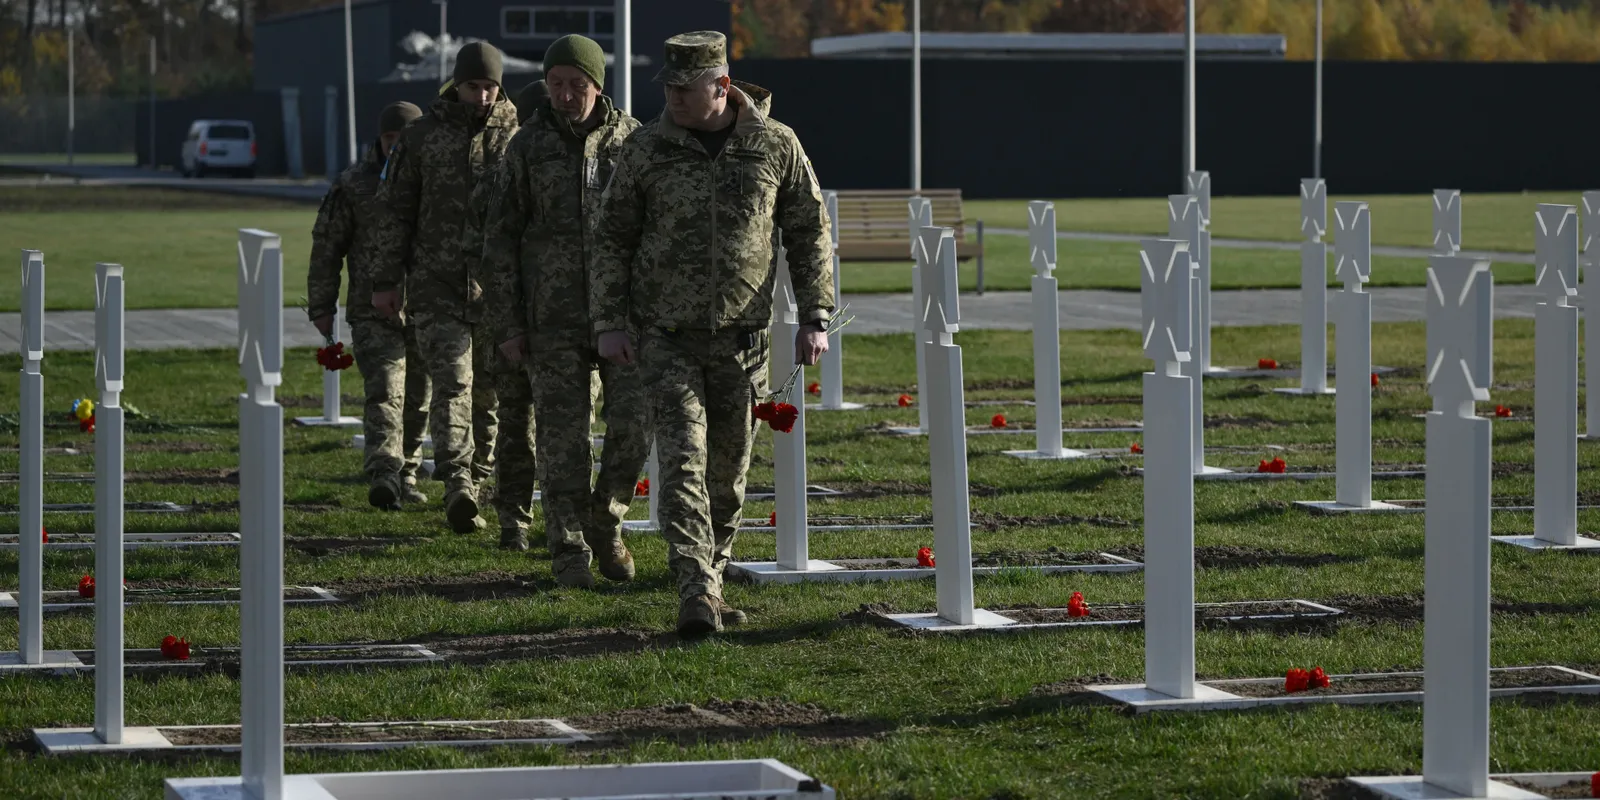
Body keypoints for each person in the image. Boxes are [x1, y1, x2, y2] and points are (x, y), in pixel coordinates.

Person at [590, 31, 835, 636]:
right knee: (681, 463)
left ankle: (713, 579)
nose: (672, 97)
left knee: (727, 475)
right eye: (667, 87)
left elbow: (809, 231)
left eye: (685, 88)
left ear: (722, 86)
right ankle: (695, 591)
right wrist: (608, 323)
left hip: (741, 340)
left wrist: (816, 316)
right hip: (664, 335)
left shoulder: (774, 145)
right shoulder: (646, 149)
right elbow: (612, 238)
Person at [485, 34, 649, 581]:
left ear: (597, 86)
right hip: (549, 318)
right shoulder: (526, 146)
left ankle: (607, 523)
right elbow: (500, 240)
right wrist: (507, 322)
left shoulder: (632, 141)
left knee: (632, 423)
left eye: (576, 85)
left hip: (620, 316)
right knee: (563, 438)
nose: (564, 95)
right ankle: (569, 547)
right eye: (555, 85)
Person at [371, 41, 524, 535]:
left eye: (489, 87)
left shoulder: (518, 136)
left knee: (489, 393)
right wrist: (385, 279)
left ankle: (478, 482)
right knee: (452, 383)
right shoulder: (421, 137)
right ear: (456, 84)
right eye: (473, 85)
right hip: (435, 282)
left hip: (497, 289)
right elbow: (393, 211)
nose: (481, 96)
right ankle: (457, 480)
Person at [307, 102, 432, 510]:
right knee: (385, 388)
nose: (396, 149)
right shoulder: (354, 185)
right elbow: (327, 247)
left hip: (426, 308)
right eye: (389, 140)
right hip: (372, 309)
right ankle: (384, 471)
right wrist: (321, 305)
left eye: (404, 141)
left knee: (419, 396)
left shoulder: (436, 182)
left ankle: (408, 471)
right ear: (379, 141)